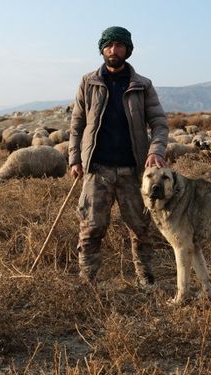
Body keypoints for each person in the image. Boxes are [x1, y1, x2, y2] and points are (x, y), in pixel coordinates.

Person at [68, 26, 169, 286]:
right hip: (97, 169)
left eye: (120, 46)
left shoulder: (142, 85)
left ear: (128, 50)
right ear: (102, 48)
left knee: (141, 227)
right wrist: (75, 159)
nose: (114, 50)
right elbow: (77, 124)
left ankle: (146, 279)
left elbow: (159, 122)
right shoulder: (88, 82)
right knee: (91, 228)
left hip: (132, 171)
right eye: (109, 45)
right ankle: (88, 280)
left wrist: (156, 150)